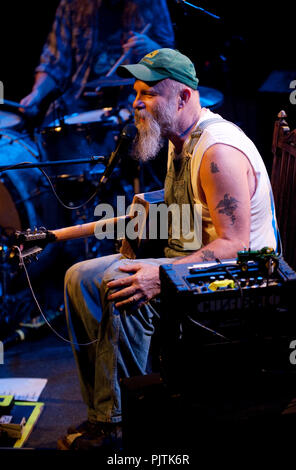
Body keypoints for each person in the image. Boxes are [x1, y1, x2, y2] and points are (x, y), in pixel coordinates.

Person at [58, 48, 279, 450]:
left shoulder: (218, 152)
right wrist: (55, 237)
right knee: (79, 277)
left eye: (148, 93)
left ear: (184, 97)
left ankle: (119, 426)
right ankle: (102, 414)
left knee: (118, 282)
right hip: (198, 259)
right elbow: (185, 218)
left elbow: (235, 244)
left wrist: (158, 274)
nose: (136, 103)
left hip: (242, 278)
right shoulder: (179, 138)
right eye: (136, 92)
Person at [20, 0, 175, 124]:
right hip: (79, 99)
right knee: (52, 131)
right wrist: (37, 93)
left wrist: (152, 48)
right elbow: (54, 62)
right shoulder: (71, 4)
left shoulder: (151, 3)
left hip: (133, 100)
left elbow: (172, 59)